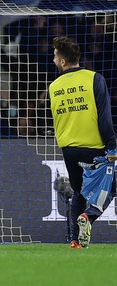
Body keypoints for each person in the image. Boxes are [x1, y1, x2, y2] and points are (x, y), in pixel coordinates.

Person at [47, 36, 116, 248]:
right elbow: (104, 117)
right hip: (93, 147)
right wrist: (112, 145)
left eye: (55, 57)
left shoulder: (54, 86)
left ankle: (75, 240)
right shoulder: (95, 79)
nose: (53, 61)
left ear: (63, 62)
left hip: (68, 148)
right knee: (112, 186)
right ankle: (89, 216)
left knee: (78, 191)